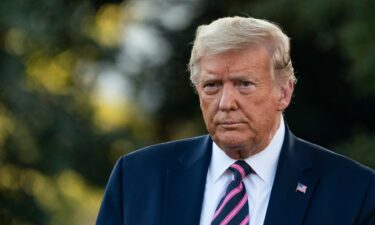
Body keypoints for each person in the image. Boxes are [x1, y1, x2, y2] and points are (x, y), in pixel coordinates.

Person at [95, 16, 375, 225]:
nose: (226, 103)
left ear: (284, 92)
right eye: (212, 86)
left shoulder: (355, 191)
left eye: (244, 84)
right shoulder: (136, 177)